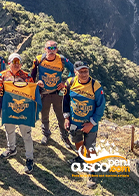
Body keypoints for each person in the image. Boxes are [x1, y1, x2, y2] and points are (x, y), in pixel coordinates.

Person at [0, 53, 41, 174]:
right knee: (9, 130)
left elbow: (33, 92)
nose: (16, 65)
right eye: (14, 62)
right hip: (9, 109)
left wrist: (38, 86)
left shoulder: (27, 76)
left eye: (18, 62)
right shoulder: (3, 75)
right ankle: (12, 149)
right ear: (9, 63)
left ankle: (30, 158)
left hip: (23, 110)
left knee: (26, 134)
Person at [63, 61, 106, 189]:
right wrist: (66, 118)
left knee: (91, 148)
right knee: (77, 141)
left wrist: (92, 123)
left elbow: (101, 106)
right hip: (74, 121)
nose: (84, 74)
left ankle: (92, 173)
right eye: (81, 71)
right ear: (75, 72)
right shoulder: (70, 83)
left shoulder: (95, 86)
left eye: (86, 71)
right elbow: (65, 101)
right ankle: (81, 158)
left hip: (90, 123)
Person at [31, 40, 74, 146]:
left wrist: (65, 82)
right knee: (44, 114)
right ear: (45, 49)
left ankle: (64, 136)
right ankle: (46, 134)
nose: (51, 50)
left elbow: (73, 71)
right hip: (43, 93)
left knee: (61, 115)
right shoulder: (38, 59)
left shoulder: (62, 60)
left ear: (57, 49)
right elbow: (32, 74)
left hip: (57, 93)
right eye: (49, 48)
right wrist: (36, 84)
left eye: (54, 48)